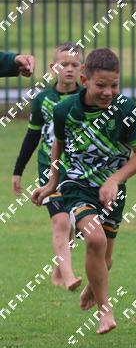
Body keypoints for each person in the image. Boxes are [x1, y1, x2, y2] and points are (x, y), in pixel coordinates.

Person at [32, 48, 136, 335]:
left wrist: (114, 180)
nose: (108, 92)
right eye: (101, 85)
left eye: (114, 85)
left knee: (105, 258)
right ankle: (105, 312)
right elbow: (58, 146)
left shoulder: (125, 110)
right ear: (84, 80)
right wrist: (52, 183)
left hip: (111, 192)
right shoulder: (65, 111)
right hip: (76, 186)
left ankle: (93, 288)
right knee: (95, 239)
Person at [13, 43, 84, 290]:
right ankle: (69, 277)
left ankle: (59, 267)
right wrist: (18, 171)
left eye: (75, 65)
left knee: (73, 221)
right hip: (49, 167)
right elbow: (32, 136)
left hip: (78, 168)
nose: (69, 69)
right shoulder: (43, 100)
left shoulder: (87, 98)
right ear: (54, 68)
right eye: (64, 64)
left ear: (82, 69)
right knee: (61, 222)